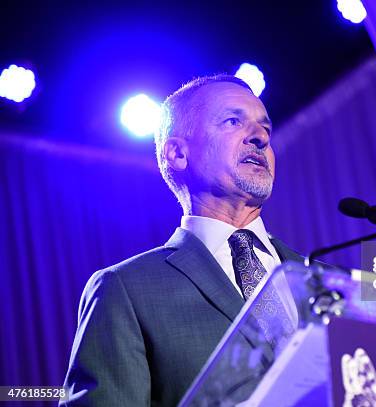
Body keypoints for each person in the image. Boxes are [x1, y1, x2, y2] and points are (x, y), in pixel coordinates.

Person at [61, 75, 304, 406]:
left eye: (265, 129)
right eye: (234, 121)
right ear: (177, 154)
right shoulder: (126, 291)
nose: (260, 137)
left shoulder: (328, 280)